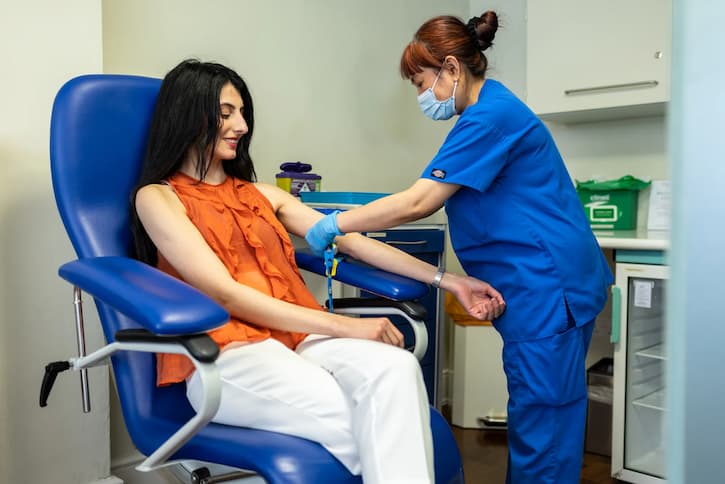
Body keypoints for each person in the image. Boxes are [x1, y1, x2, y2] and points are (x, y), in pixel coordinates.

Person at [130, 59, 505, 483]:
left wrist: (449, 280)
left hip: (302, 342)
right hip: (226, 356)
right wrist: (345, 325)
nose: (242, 126)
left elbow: (352, 241)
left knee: (397, 369)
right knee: (376, 422)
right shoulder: (158, 199)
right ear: (186, 116)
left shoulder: (262, 194)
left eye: (242, 112)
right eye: (225, 113)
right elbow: (226, 294)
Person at [305, 11, 614, 484]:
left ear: (451, 68)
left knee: (544, 425)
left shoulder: (488, 118)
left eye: (421, 82)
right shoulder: (490, 111)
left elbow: (418, 202)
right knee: (543, 416)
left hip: (547, 288)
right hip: (547, 284)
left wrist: (333, 224)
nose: (421, 96)